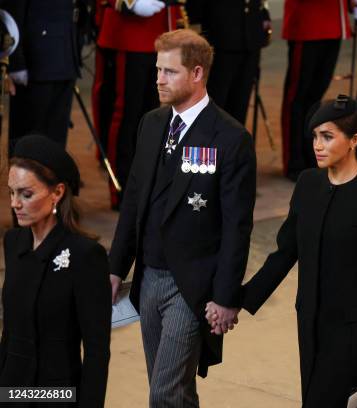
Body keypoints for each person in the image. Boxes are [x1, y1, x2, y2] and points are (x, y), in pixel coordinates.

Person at [212, 95, 357, 407]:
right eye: (315, 136)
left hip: (353, 335)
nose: (318, 144)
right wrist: (237, 300)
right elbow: (286, 252)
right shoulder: (308, 184)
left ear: (354, 140)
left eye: (327, 136)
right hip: (310, 327)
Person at [108, 29, 256, 407]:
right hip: (147, 278)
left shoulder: (230, 138)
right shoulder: (152, 124)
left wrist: (225, 297)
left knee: (164, 392)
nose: (158, 79)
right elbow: (134, 201)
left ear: (196, 74)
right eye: (158, 70)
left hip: (192, 288)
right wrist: (115, 268)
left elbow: (237, 226)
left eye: (169, 72)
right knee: (176, 390)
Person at [1, 134, 111, 407]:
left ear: (58, 192)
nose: (15, 203)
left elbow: (97, 352)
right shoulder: (13, 243)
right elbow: (9, 335)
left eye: (26, 194)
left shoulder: (85, 256)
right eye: (11, 192)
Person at [93, 0, 185, 209]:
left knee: (153, 117)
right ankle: (122, 187)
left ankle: (147, 183)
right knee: (126, 115)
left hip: (162, 30)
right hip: (129, 32)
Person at [280, 0, 352, 181]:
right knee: (297, 98)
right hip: (308, 24)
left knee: (315, 99)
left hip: (333, 24)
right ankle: (293, 160)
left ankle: (310, 154)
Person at [3, 0, 85, 154]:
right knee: (28, 141)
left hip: (66, 57)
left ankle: (53, 177)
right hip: (35, 61)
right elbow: (11, 12)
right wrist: (15, 61)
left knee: (56, 139)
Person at [188, 0, 271, 125]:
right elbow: (194, 10)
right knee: (214, 105)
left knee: (240, 105)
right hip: (220, 37)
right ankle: (211, 143)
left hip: (250, 36)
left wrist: (264, 14)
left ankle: (235, 143)